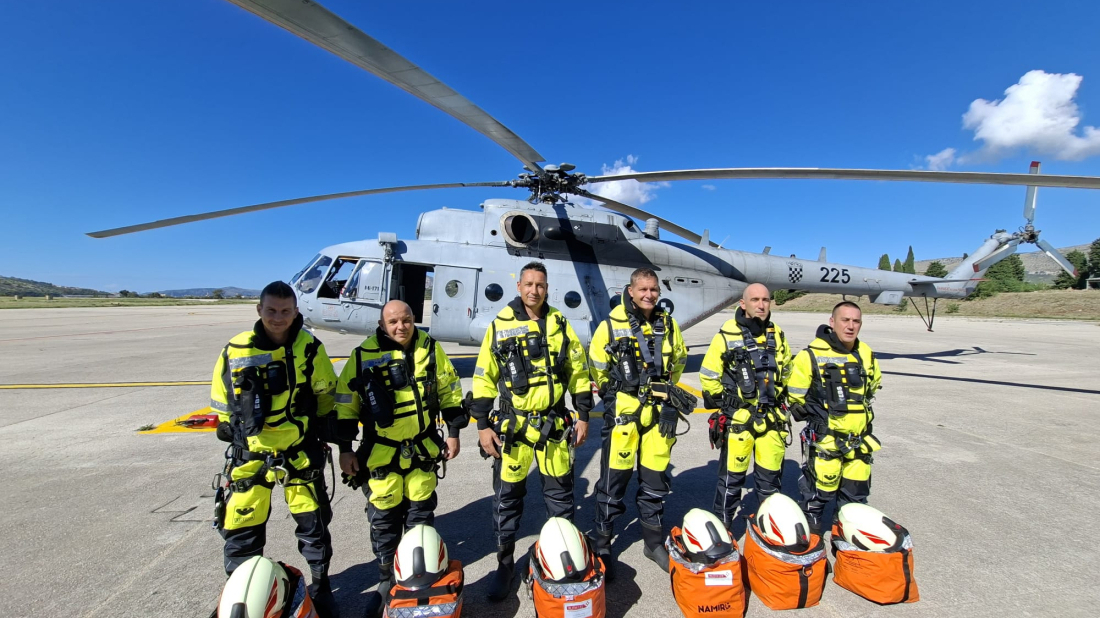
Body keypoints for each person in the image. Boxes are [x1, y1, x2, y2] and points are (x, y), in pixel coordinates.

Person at [209, 281, 340, 617]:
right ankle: (245, 592)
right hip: (251, 455)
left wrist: (322, 429)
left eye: (285, 311)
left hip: (298, 451)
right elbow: (223, 404)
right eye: (271, 311)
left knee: (313, 525)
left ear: (296, 311)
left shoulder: (310, 347)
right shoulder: (235, 349)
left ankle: (321, 586)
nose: (278, 318)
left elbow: (326, 393)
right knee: (241, 527)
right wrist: (230, 428)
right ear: (259, 310)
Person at [333, 300, 467, 616]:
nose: (401, 327)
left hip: (421, 451)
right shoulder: (363, 355)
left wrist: (454, 432)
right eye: (393, 322)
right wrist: (344, 449)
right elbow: (345, 405)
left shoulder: (430, 349)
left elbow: (449, 391)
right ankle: (386, 579)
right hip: (380, 453)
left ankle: (418, 575)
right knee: (384, 521)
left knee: (421, 517)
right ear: (382, 325)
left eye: (406, 320)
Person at [469, 261, 593, 601]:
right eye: (528, 284)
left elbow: (578, 371)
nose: (534, 290)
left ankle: (564, 557)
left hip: (553, 425)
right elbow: (483, 377)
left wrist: (583, 414)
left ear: (546, 288)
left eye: (540, 284)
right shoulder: (500, 325)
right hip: (513, 430)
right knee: (507, 500)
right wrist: (481, 425)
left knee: (560, 498)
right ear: (519, 287)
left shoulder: (559, 324)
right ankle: (505, 563)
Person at [588, 267, 690, 577]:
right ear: (630, 291)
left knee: (655, 480)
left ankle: (653, 542)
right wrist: (614, 395)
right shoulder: (610, 325)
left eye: (654, 290)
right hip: (625, 415)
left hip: (659, 415)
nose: (649, 295)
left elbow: (679, 359)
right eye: (643, 289)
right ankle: (603, 543)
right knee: (612, 482)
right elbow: (597, 367)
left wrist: (664, 389)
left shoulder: (668, 325)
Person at [699, 283, 792, 528]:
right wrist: (729, 404)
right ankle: (723, 530)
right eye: (755, 300)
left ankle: (770, 535)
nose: (761, 305)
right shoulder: (727, 335)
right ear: (743, 304)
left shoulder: (777, 334)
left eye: (765, 300)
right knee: (731, 482)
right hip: (739, 422)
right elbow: (708, 376)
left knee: (770, 484)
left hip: (772, 421)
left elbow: (788, 371)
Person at [787, 301, 883, 534]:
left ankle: (848, 548)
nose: (851, 326)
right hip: (826, 442)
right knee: (818, 496)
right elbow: (794, 396)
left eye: (856, 321)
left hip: (859, 442)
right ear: (832, 322)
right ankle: (813, 550)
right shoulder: (811, 355)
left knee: (855, 500)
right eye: (845, 320)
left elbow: (872, 388)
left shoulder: (865, 353)